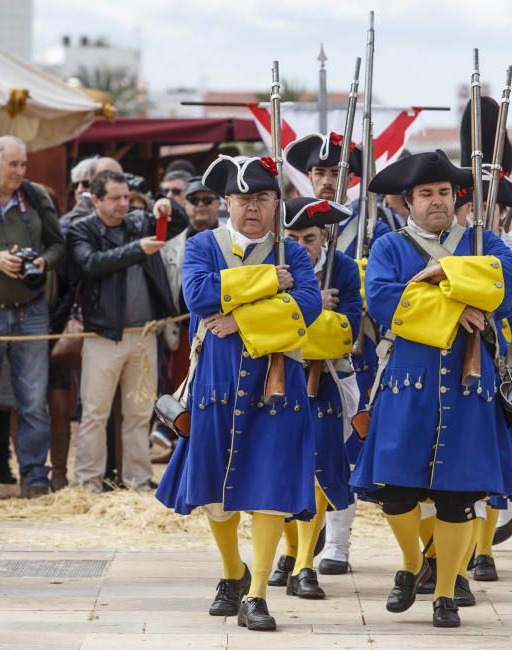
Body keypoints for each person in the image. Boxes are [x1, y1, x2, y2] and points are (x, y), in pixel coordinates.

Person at [349, 149, 512, 628]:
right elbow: (389, 301)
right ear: (407, 201)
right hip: (409, 382)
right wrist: (460, 302)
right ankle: (412, 563)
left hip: (470, 385)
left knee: (457, 496)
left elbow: (510, 287)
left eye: (444, 193)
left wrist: (446, 273)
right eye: (426, 194)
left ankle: (445, 593)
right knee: (395, 491)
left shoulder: (480, 240)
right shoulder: (389, 245)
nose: (437, 202)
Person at [156, 154, 322, 632]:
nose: (253, 207)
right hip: (216, 382)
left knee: (268, 488)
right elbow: (199, 296)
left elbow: (306, 309)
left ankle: (256, 594)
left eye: (263, 198)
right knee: (216, 493)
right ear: (227, 202)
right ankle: (232, 571)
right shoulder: (204, 245)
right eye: (243, 198)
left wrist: (242, 317)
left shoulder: (293, 252)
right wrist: (270, 282)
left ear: (276, 203)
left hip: (277, 385)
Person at [283, 132, 388, 578]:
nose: (328, 180)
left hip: (355, 353)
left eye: (335, 173)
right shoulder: (284, 220)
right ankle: (297, 547)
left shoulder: (375, 225)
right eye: (320, 172)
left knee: (345, 449)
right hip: (296, 354)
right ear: (308, 176)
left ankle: (338, 544)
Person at [452, 96, 512, 586]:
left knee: (492, 457)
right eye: (473, 204)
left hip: (499, 359)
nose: (480, 212)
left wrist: (489, 302)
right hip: (450, 356)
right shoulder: (452, 245)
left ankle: (483, 549)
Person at [68, 170, 188, 493]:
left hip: (145, 333)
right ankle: (88, 484)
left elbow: (177, 224)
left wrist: (167, 206)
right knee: (95, 413)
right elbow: (91, 264)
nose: (124, 204)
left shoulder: (137, 220)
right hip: (102, 335)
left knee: (139, 413)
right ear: (95, 200)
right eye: (116, 198)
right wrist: (139, 249)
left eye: (126, 197)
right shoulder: (81, 229)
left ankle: (138, 482)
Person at [0, 135, 65, 499]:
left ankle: (35, 478)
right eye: (14, 164)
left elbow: (59, 246)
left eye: (23, 164)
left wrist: (42, 262)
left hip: (31, 311)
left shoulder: (36, 196)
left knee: (32, 399)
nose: (20, 171)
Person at [282, 196, 362, 600]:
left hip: (326, 380)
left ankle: (304, 565)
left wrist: (298, 321)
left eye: (308, 237)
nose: (300, 246)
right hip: (277, 377)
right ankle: (291, 550)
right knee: (278, 465)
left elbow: (347, 333)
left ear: (324, 235)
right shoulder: (272, 268)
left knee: (319, 469)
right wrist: (313, 309)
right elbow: (259, 329)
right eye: (291, 237)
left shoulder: (342, 268)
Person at [152, 175, 222, 463]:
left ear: (220, 203)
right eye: (194, 200)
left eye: (208, 199)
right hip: (182, 332)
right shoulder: (172, 245)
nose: (201, 206)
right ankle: (182, 453)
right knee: (182, 393)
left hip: (224, 330)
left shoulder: (232, 241)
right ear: (185, 203)